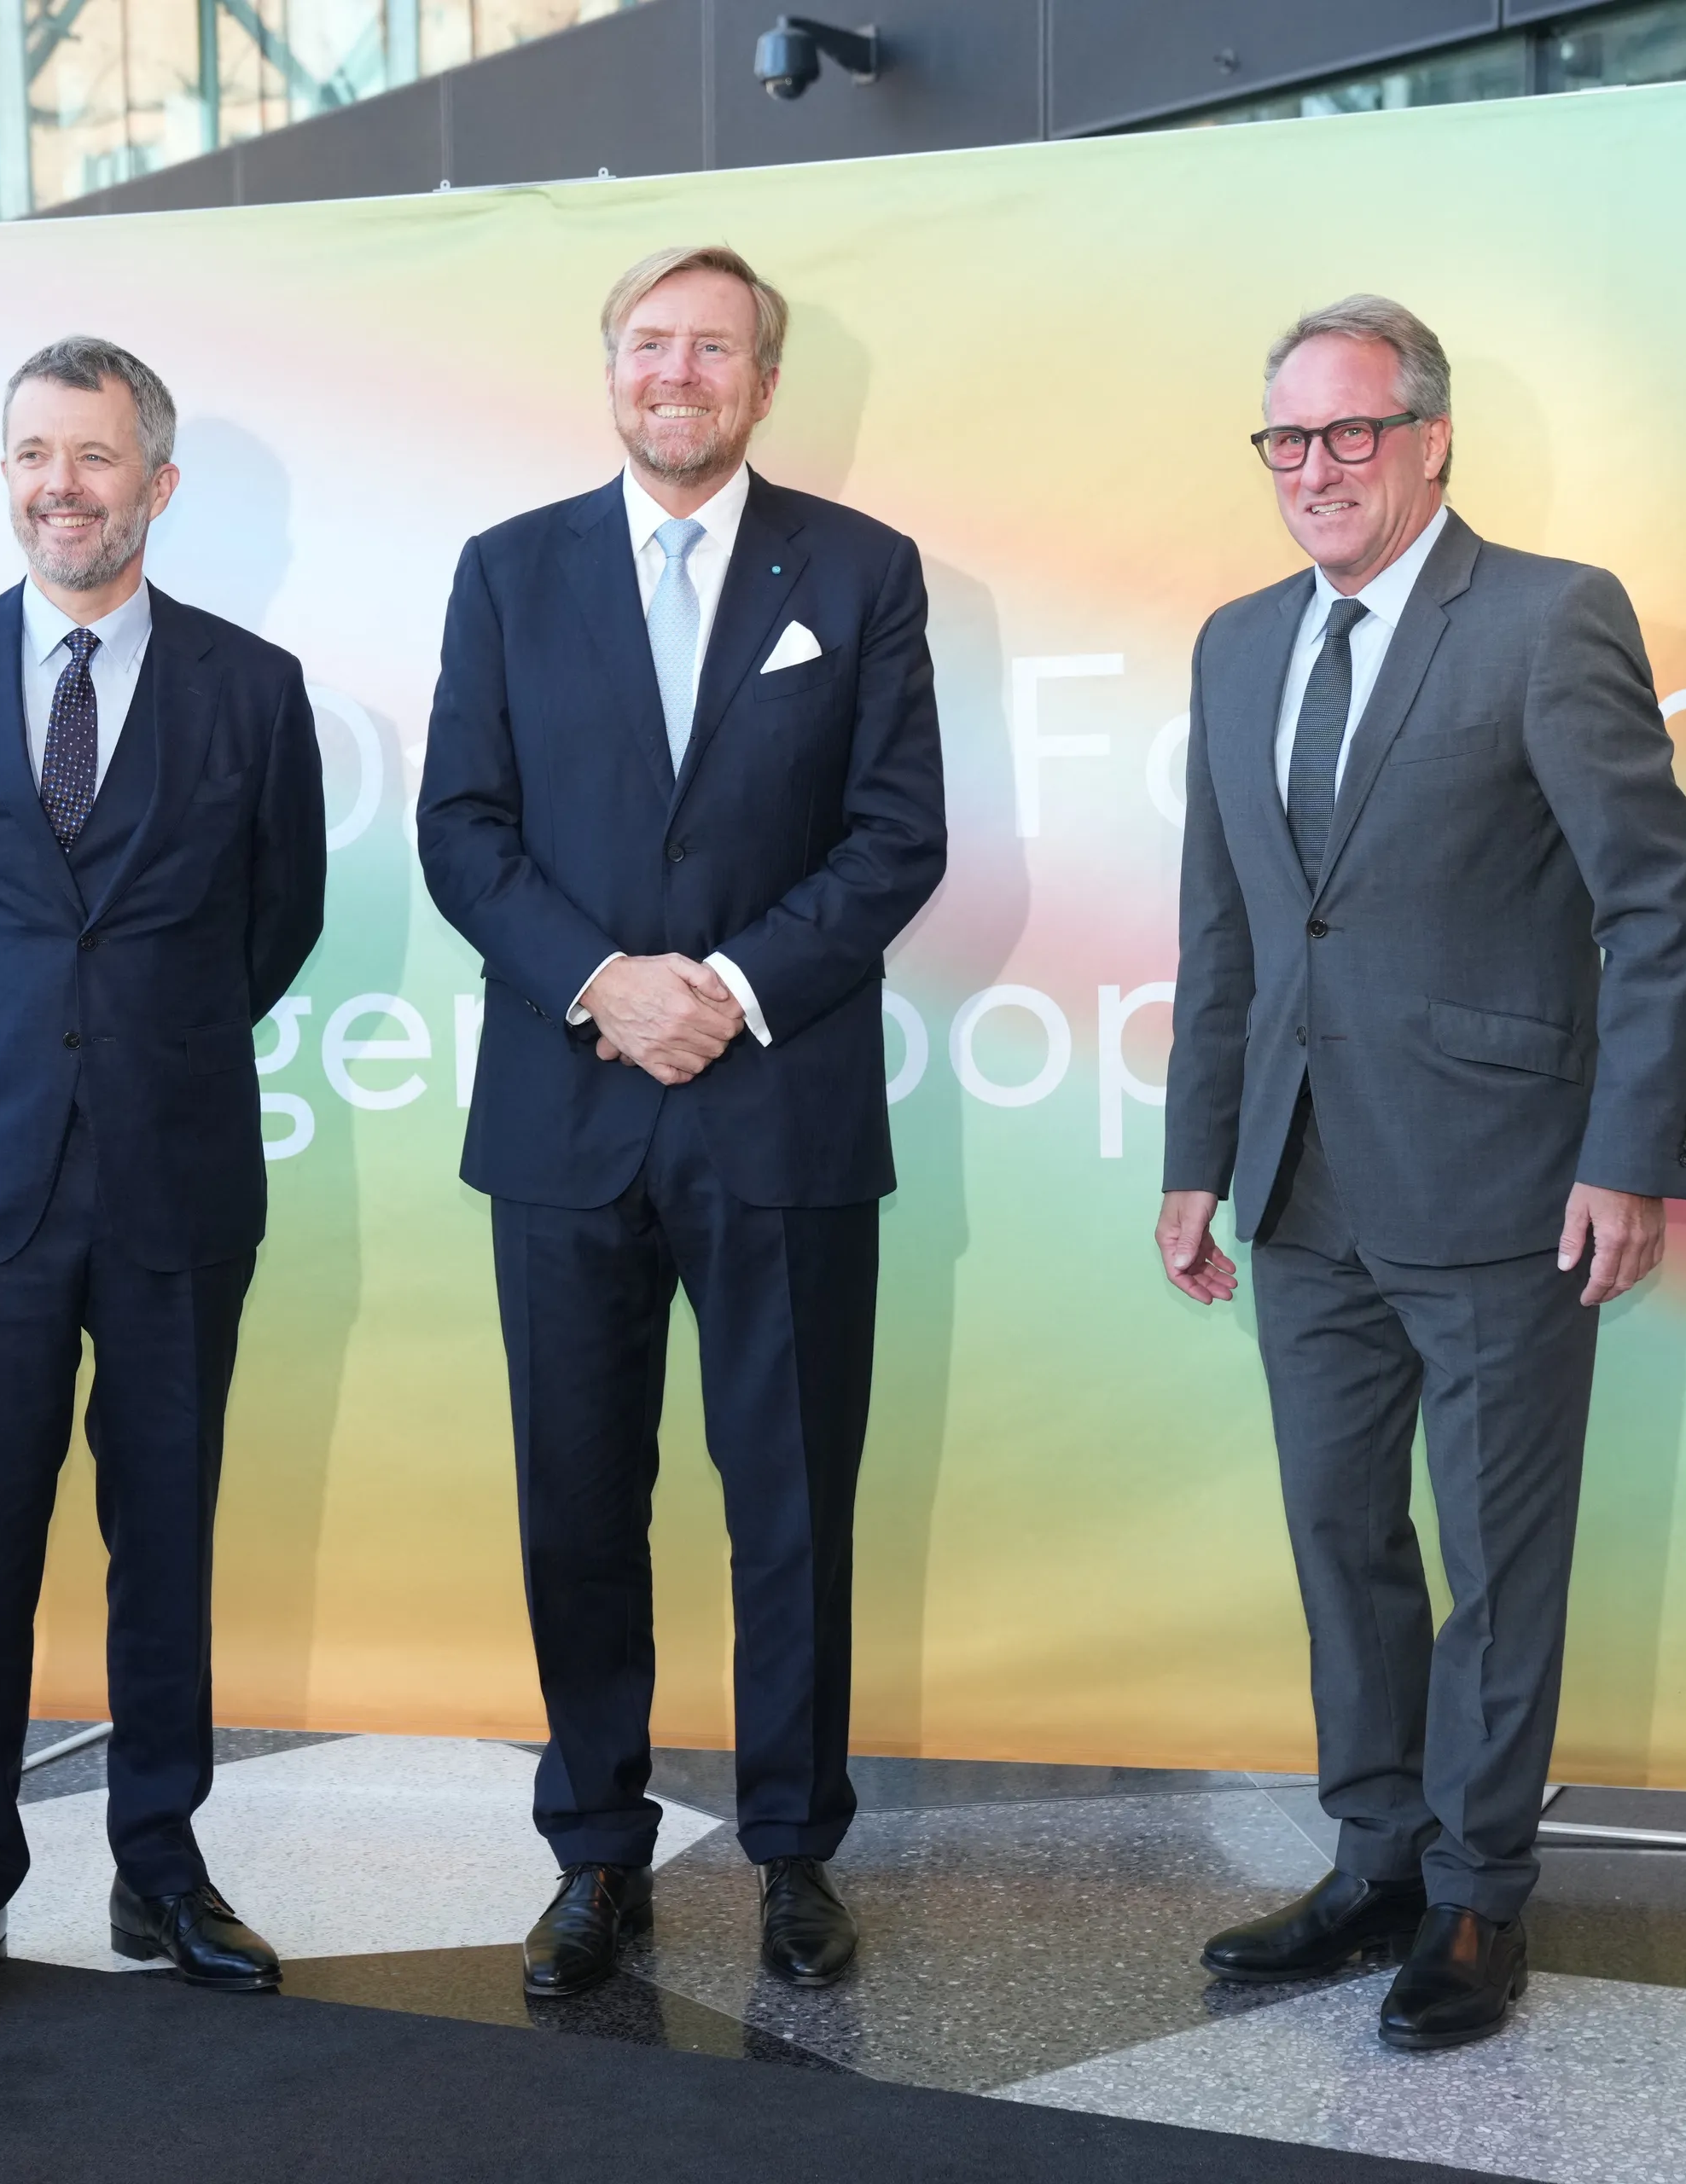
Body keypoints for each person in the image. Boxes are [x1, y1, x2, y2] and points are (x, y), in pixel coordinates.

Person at [1157, 295, 1686, 2050]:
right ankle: (1376, 1860)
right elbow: (1228, 922)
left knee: (1497, 1561)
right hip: (1299, 1184)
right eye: (1289, 439)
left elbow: (1653, 903)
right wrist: (1197, 1155)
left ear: (1432, 438)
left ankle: (1479, 1892)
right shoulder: (1239, 642)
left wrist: (1628, 1156)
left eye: (1353, 432)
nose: (1317, 468)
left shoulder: (1548, 616)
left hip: (1502, 1183)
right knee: (1343, 1539)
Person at [417, 245, 946, 1999]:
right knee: (578, 1500)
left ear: (764, 383)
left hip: (780, 1106)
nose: (678, 373)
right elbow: (463, 827)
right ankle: (595, 1852)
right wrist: (603, 983)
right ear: (610, 368)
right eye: (651, 342)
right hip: (566, 1114)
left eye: (715, 348)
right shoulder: (507, 571)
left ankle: (795, 1850)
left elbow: (896, 833)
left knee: (790, 1499)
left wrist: (722, 984)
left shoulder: (860, 571)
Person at [0, 337, 326, 2031]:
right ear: (7, 474)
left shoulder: (255, 689)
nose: (64, 483)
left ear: (156, 484)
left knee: (163, 1535)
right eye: (36, 452)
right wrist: (3, 1038)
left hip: (180, 1176)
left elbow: (279, 920)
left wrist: (142, 1043)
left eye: (96, 455)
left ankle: (158, 1872)